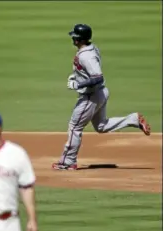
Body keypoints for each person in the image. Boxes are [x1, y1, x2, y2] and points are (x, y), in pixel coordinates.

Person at [52, 24, 151, 170]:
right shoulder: (90, 49)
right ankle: (133, 119)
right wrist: (77, 77)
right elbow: (88, 72)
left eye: (75, 36)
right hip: (100, 93)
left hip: (91, 96)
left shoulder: (86, 56)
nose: (73, 38)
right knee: (101, 126)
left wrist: (78, 85)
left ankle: (68, 162)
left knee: (75, 127)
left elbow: (97, 77)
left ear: (79, 39)